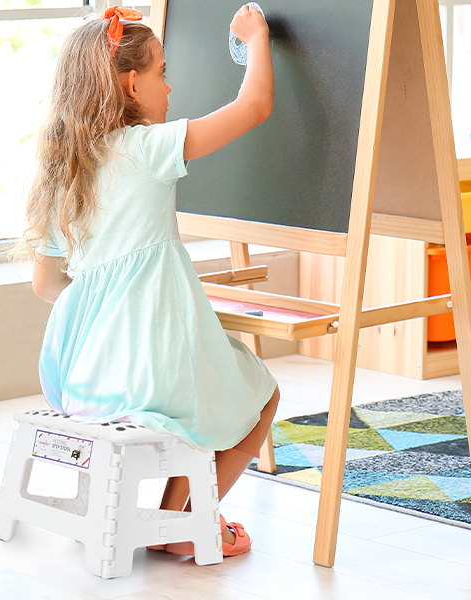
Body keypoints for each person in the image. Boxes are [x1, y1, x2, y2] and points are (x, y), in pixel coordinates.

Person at [21, 4, 278, 558]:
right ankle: (185, 523)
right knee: (256, 390)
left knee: (201, 381)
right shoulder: (147, 148)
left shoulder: (65, 171)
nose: (170, 87)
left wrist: (108, 315)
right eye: (163, 72)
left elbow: (46, 284)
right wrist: (257, 37)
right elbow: (254, 106)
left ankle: (171, 523)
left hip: (80, 379)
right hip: (150, 375)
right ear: (132, 84)